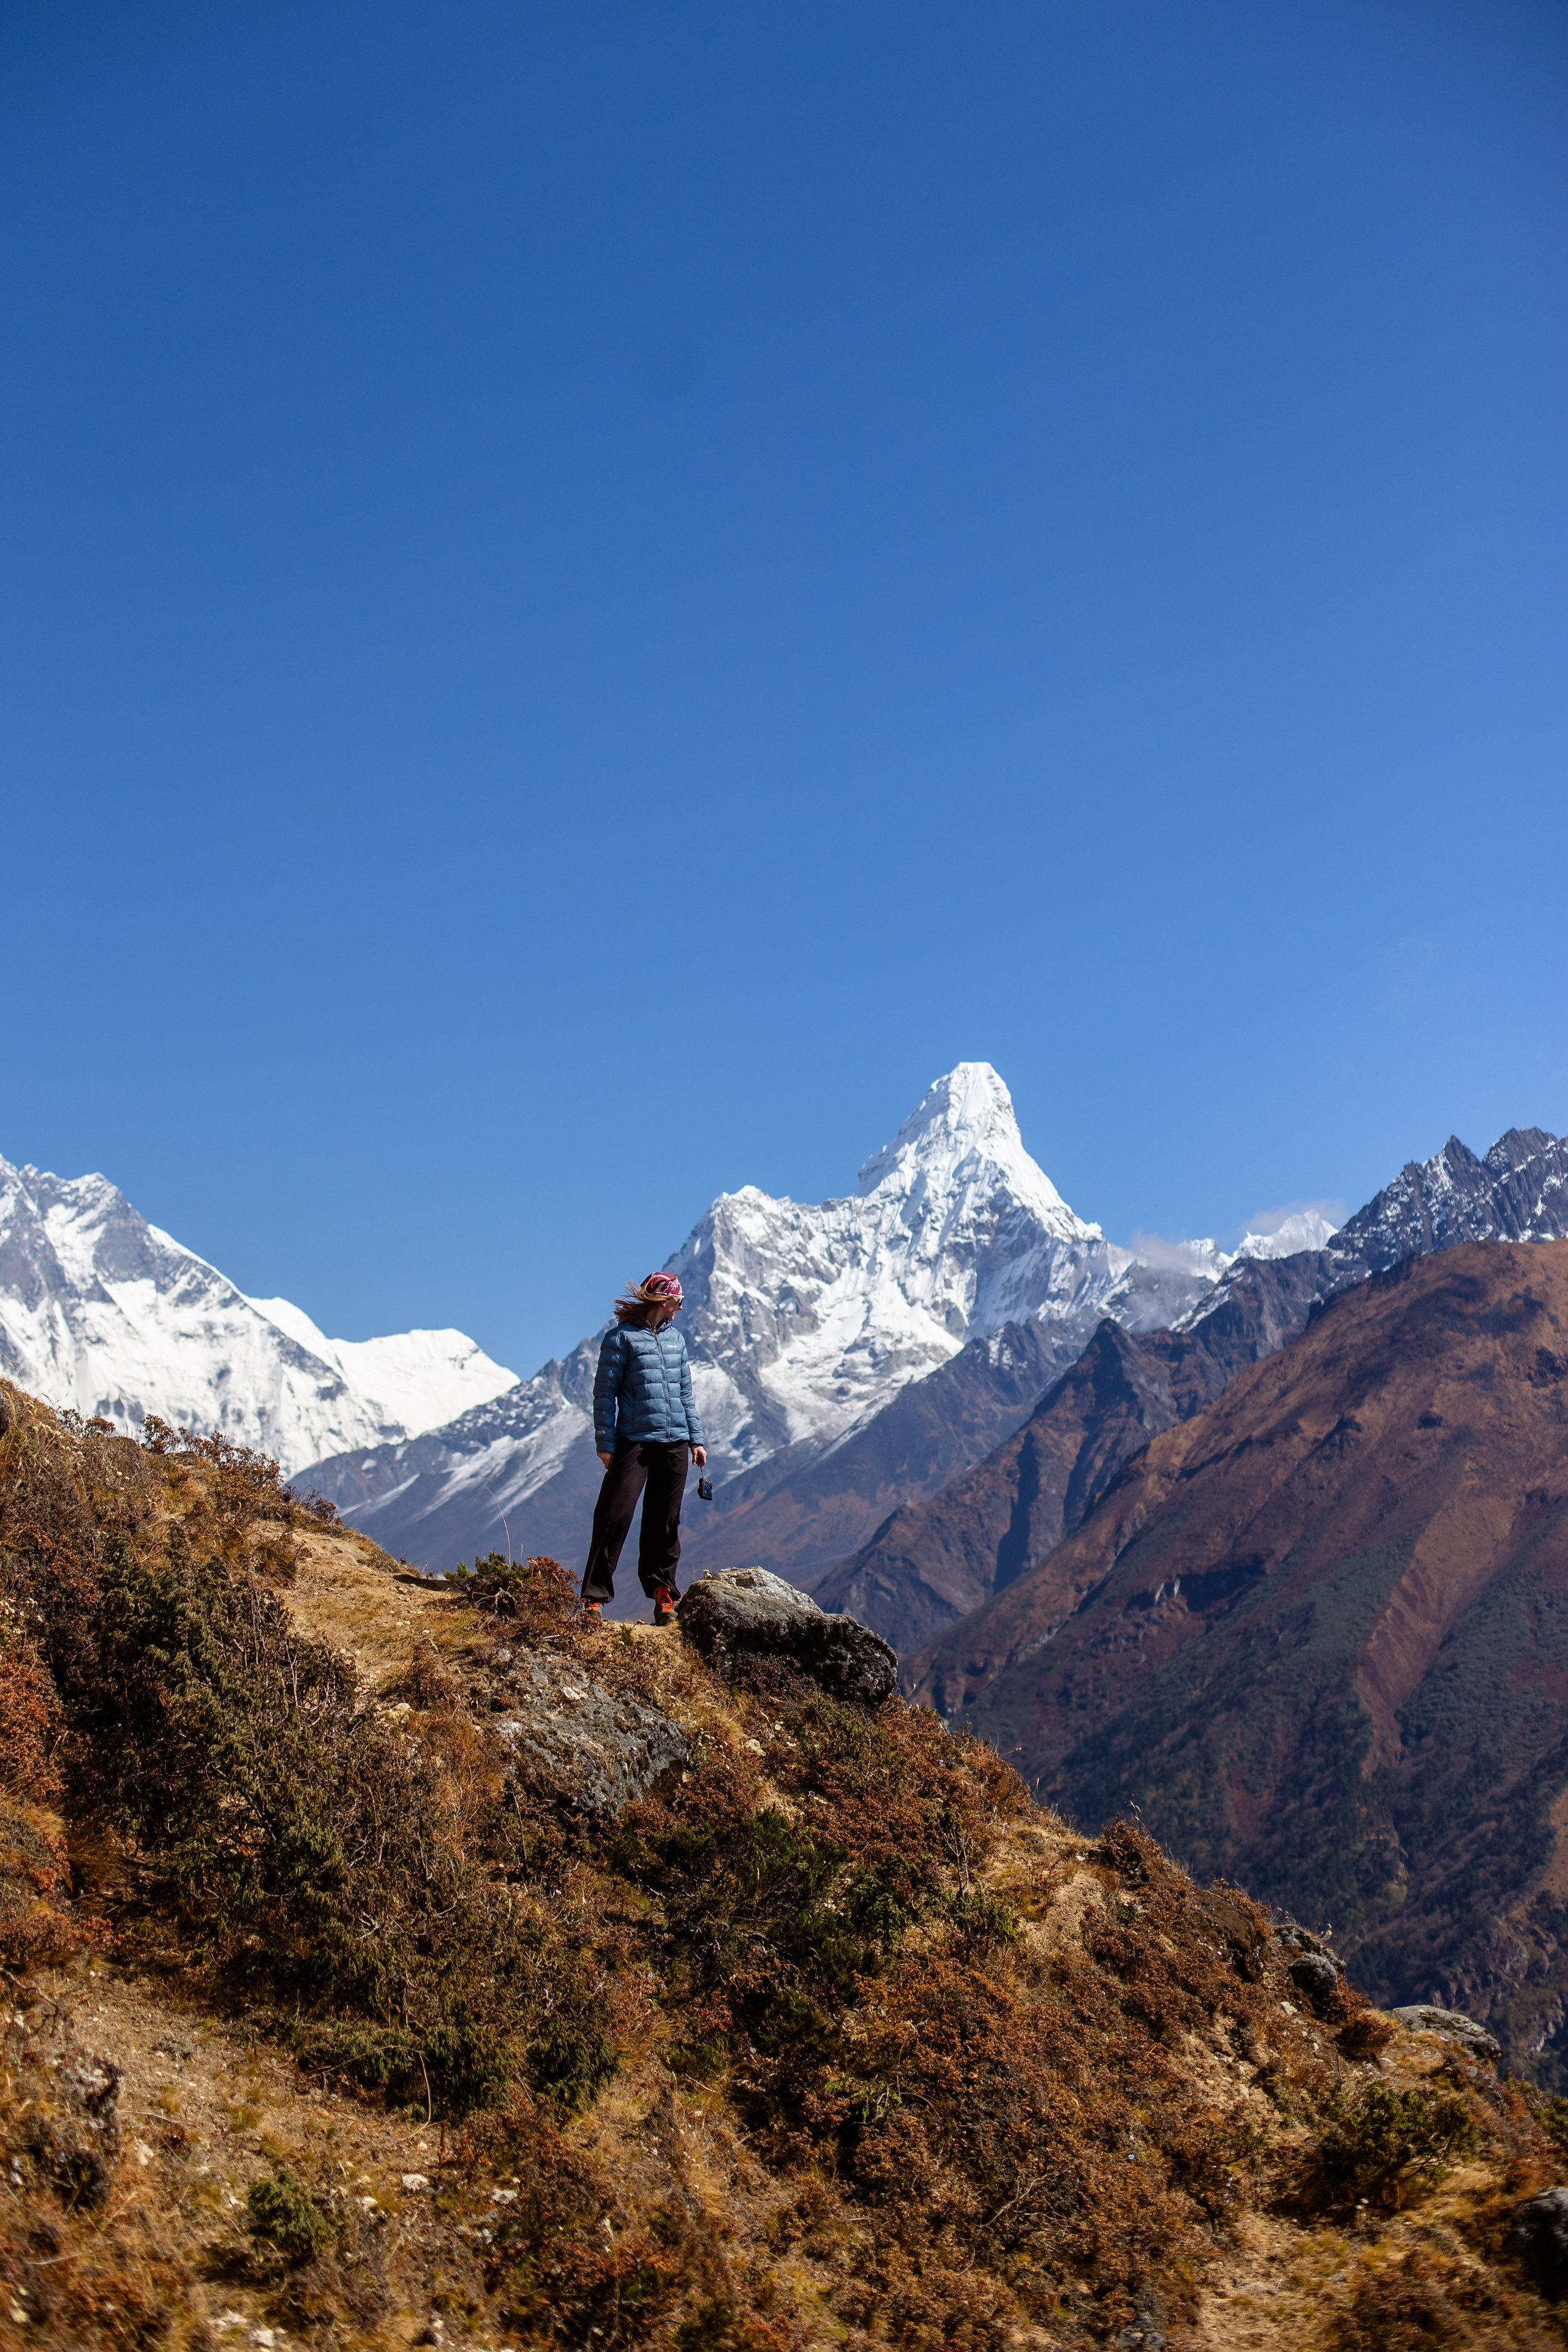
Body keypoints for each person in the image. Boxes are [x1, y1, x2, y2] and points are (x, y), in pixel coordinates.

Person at [581, 1272, 707, 1624]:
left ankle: (663, 1594)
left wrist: (695, 1438)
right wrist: (605, 1443)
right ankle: (594, 1598)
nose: (681, 1308)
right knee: (614, 1515)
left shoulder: (677, 1341)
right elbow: (604, 1395)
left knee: (665, 1522)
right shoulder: (620, 1339)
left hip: (676, 1443)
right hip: (633, 1442)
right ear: (664, 1301)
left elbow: (686, 1395)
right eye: (679, 1301)